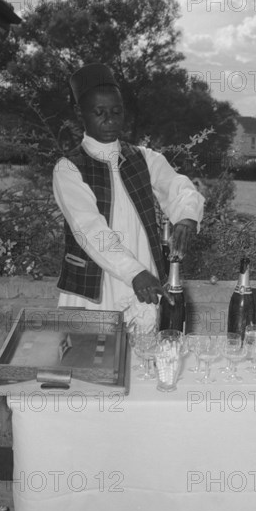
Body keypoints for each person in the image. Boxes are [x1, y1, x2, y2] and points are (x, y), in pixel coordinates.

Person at [53, 63, 204, 325]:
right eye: (99, 112)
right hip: (95, 288)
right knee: (92, 359)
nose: (110, 120)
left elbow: (178, 185)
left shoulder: (144, 158)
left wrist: (186, 217)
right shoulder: (68, 168)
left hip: (146, 278)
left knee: (144, 357)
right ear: (80, 113)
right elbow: (89, 229)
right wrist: (134, 273)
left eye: (116, 111)